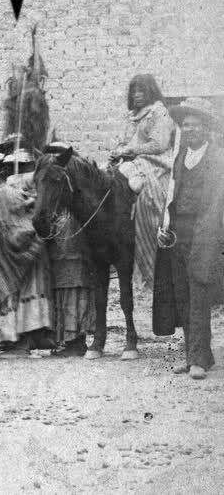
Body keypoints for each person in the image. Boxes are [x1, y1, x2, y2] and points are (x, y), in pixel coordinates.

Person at [152, 97, 224, 380]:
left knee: (198, 296)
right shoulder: (180, 157)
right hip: (178, 235)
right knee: (182, 295)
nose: (190, 130)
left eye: (195, 125)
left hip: (205, 234)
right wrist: (165, 225)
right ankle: (195, 354)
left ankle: (198, 360)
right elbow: (172, 195)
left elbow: (215, 205)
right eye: (186, 126)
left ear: (206, 128)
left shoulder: (217, 159)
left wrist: (205, 240)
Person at [0, 170, 53, 355]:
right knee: (19, 298)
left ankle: (21, 343)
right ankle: (20, 342)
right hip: (15, 257)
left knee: (18, 299)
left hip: (21, 254)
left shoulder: (2, 194)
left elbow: (13, 221)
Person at [110, 75, 175, 288]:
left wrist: (131, 150)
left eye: (141, 90)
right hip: (133, 159)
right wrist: (119, 151)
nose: (137, 95)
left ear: (151, 91)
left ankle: (147, 230)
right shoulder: (132, 116)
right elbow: (125, 142)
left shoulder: (159, 112)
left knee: (138, 187)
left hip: (156, 161)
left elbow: (159, 144)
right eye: (134, 91)